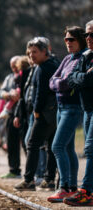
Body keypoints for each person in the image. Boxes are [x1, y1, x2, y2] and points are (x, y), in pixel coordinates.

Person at [46, 26, 86, 203]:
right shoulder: (67, 58)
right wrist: (60, 83)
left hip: (73, 107)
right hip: (61, 107)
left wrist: (60, 83)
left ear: (81, 40)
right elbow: (53, 81)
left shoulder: (83, 58)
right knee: (68, 148)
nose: (68, 43)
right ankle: (71, 187)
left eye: (72, 39)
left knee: (57, 146)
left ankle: (64, 187)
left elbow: (68, 82)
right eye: (66, 40)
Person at [14, 37, 60, 191]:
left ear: (44, 51)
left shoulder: (42, 68)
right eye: (30, 52)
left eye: (35, 52)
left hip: (44, 114)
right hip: (55, 113)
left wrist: (37, 112)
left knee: (32, 144)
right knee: (51, 146)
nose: (31, 55)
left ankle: (28, 180)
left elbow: (40, 93)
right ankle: (49, 179)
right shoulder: (55, 63)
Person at [65, 20, 93, 206]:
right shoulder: (87, 56)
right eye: (87, 35)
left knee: (90, 149)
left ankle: (86, 191)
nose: (89, 38)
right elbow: (71, 79)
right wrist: (84, 77)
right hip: (87, 109)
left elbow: (82, 79)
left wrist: (82, 78)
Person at [0, 56, 22, 179]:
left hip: (24, 113)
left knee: (27, 143)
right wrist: (8, 95)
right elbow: (1, 92)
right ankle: (14, 169)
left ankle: (36, 172)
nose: (14, 68)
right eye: (12, 65)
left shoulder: (26, 74)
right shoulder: (8, 78)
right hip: (10, 113)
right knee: (11, 142)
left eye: (15, 65)